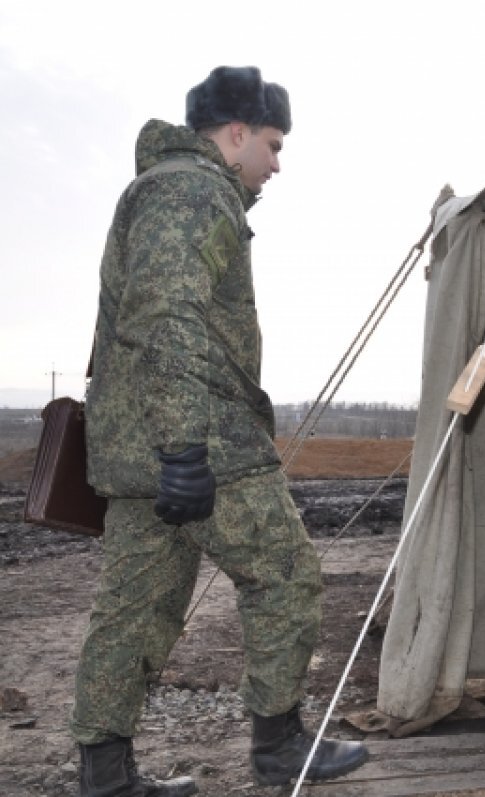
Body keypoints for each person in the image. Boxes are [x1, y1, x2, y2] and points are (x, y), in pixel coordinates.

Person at [73, 66, 368, 796]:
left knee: (135, 608)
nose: (277, 162)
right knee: (286, 574)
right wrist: (183, 448)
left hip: (143, 446)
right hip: (203, 443)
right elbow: (168, 316)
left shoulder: (163, 187)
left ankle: (105, 777)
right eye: (271, 143)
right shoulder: (193, 189)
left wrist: (166, 448)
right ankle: (278, 746)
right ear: (235, 133)